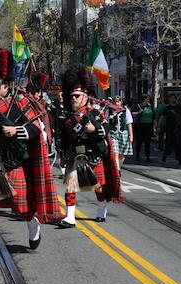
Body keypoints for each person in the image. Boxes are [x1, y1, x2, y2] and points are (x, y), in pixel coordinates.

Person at [0, 49, 60, 257]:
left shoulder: (20, 102)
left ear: (6, 83)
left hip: (13, 161)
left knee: (21, 205)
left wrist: (16, 131)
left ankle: (33, 225)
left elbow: (37, 129)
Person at [59, 64, 123, 227]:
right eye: (72, 95)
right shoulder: (68, 118)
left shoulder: (95, 113)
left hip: (93, 156)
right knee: (71, 188)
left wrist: (94, 129)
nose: (74, 98)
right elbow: (65, 139)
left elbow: (105, 129)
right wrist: (63, 156)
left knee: (98, 188)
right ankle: (70, 217)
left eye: (77, 95)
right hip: (75, 155)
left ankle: (101, 209)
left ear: (85, 95)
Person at [108, 96, 134, 168]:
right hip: (113, 134)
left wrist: (131, 135)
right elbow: (106, 122)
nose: (117, 103)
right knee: (115, 153)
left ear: (121, 102)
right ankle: (117, 171)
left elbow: (129, 123)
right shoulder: (109, 110)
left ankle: (119, 166)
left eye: (119, 102)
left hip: (123, 134)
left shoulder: (126, 110)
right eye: (115, 102)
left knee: (121, 155)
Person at [132, 94, 155, 162]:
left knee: (147, 142)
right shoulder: (138, 106)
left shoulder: (150, 106)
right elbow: (132, 113)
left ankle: (147, 157)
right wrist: (139, 112)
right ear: (144, 99)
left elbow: (153, 116)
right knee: (139, 141)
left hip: (149, 126)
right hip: (140, 126)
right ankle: (138, 155)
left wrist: (155, 125)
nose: (148, 100)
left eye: (149, 99)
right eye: (147, 99)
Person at [162, 96, 181, 164]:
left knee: (178, 144)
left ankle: (179, 159)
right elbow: (163, 117)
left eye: (174, 98)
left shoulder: (179, 108)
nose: (173, 99)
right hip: (169, 128)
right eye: (171, 98)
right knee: (168, 142)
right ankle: (165, 156)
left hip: (178, 128)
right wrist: (159, 126)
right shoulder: (167, 108)